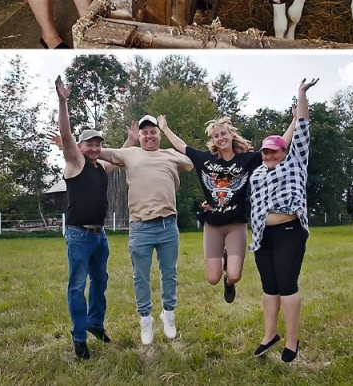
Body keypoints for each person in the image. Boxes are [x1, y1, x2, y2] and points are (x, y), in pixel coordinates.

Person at [96, 115, 194, 345]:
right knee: (140, 276)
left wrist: (167, 129)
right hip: (140, 227)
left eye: (153, 132)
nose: (149, 136)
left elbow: (190, 161)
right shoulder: (130, 154)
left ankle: (168, 314)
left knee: (169, 273)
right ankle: (145, 319)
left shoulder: (170, 154)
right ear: (139, 136)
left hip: (168, 225)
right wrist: (128, 142)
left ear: (159, 135)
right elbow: (100, 153)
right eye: (145, 133)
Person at [154, 115, 262, 303]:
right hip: (213, 224)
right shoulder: (205, 159)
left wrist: (296, 120)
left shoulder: (247, 159)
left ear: (231, 135)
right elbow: (182, 146)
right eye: (216, 136)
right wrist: (164, 127)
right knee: (212, 278)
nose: (220, 138)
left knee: (235, 275)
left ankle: (229, 282)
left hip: (236, 224)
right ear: (213, 140)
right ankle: (223, 257)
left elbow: (275, 148)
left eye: (223, 134)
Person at [52, 76, 121, 359]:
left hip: (99, 236)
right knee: (77, 286)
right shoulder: (75, 163)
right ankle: (79, 338)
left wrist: (129, 140)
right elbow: (66, 135)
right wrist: (63, 101)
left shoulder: (100, 168)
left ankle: (95, 324)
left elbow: (117, 161)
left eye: (98, 144)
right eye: (89, 144)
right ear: (80, 147)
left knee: (101, 281)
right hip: (79, 235)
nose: (94, 148)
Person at [249, 78, 318, 361]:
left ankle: (292, 340)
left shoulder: (295, 162)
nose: (268, 155)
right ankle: (269, 335)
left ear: (285, 152)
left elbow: (300, 129)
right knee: (269, 287)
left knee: (287, 285)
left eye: (274, 151)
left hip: (289, 231)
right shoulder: (257, 173)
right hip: (263, 237)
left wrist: (301, 95)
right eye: (265, 151)